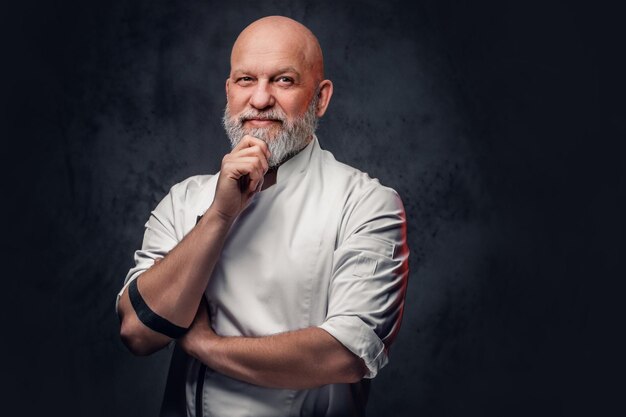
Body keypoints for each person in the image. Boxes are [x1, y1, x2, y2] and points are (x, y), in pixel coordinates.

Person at [117, 15, 409, 417]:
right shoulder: (186, 199)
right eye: (245, 80)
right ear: (228, 91)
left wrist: (205, 345)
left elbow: (344, 354)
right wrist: (220, 214)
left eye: (283, 81)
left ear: (320, 98)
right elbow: (137, 331)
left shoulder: (365, 203)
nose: (259, 100)